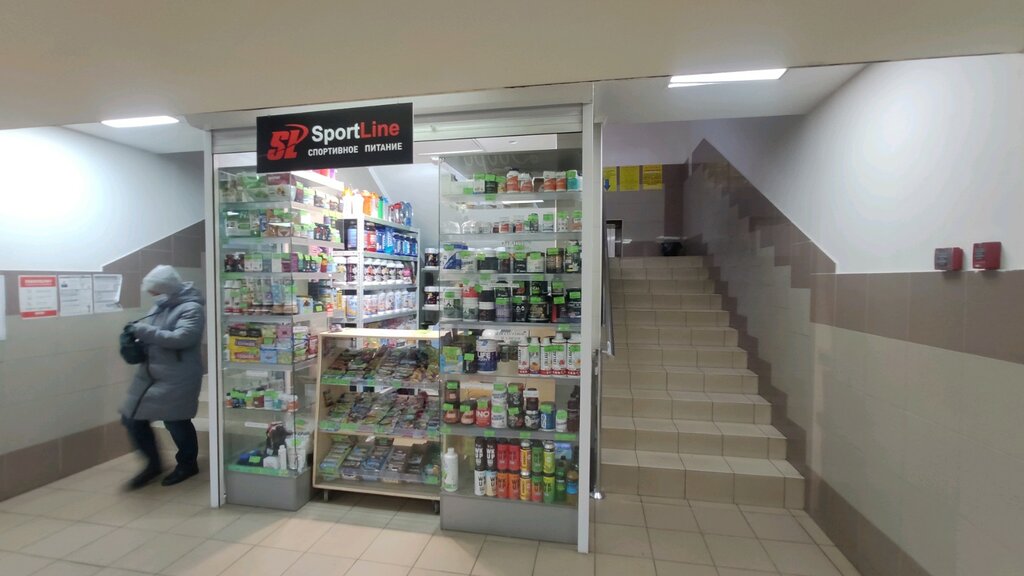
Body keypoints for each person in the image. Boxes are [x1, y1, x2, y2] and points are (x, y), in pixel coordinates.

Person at [120, 265, 206, 489]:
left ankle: (187, 464)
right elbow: (156, 335)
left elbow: (183, 338)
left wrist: (142, 331)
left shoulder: (192, 308)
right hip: (151, 374)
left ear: (165, 287)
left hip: (178, 375)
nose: (151, 294)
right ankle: (153, 464)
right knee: (132, 418)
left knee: (176, 421)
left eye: (154, 289)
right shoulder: (161, 305)